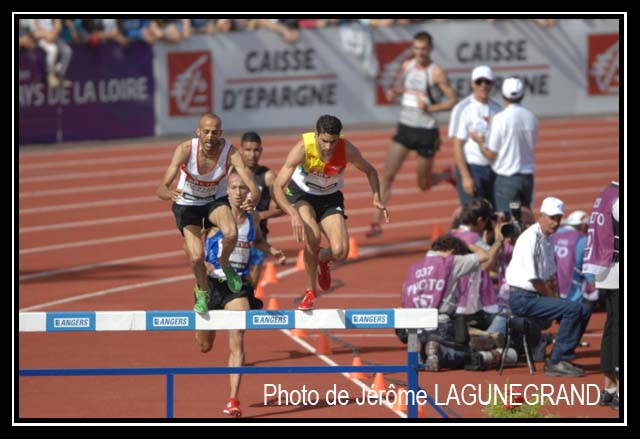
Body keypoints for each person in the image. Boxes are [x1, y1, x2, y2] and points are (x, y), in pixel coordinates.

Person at [273, 114, 389, 310]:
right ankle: (310, 293)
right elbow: (277, 186)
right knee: (313, 238)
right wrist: (292, 214)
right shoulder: (302, 149)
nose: (328, 147)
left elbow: (370, 170)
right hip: (302, 196)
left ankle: (323, 259)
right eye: (324, 141)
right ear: (316, 135)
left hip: (329, 198)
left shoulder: (347, 150)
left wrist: (376, 196)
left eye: (333, 142)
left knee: (341, 252)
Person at [198, 171, 286, 417]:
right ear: (226, 191)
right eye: (234, 188)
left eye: (243, 188)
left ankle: (233, 399)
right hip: (212, 285)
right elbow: (192, 241)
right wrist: (202, 263)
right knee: (204, 345)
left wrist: (272, 250)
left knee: (237, 336)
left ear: (249, 192)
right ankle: (205, 331)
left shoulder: (252, 217)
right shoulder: (214, 216)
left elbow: (256, 241)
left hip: (236, 286)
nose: (238, 193)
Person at [156, 113, 260, 313]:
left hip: (213, 201)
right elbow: (160, 188)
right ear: (199, 132)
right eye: (206, 132)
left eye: (214, 132)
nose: (210, 137)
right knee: (196, 257)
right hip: (187, 205)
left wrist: (253, 198)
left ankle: (224, 262)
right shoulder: (185, 150)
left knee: (231, 233)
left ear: (220, 133)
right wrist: (168, 193)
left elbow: (251, 183)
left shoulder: (230, 153)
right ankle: (203, 290)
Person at [366, 31, 457, 237]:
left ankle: (447, 175)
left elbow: (453, 100)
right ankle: (376, 223)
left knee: (423, 185)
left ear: (430, 49)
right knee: (387, 176)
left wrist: (431, 108)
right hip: (405, 128)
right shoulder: (407, 66)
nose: (419, 53)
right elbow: (403, 88)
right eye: (416, 48)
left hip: (426, 131)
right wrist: (394, 93)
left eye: (423, 49)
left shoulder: (436, 72)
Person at [506, 196, 591, 377]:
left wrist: (556, 299)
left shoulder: (549, 238)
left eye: (559, 218)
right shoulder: (531, 238)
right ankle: (556, 360)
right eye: (552, 218)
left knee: (584, 309)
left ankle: (562, 357)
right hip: (523, 298)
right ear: (541, 216)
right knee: (573, 310)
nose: (555, 223)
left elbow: (550, 277)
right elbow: (535, 280)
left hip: (534, 296)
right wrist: (554, 299)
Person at [400, 235, 510, 371]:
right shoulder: (450, 262)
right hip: (439, 324)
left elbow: (403, 299)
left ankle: (421, 352)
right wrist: (470, 246)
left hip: (414, 327)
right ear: (452, 252)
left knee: (428, 348)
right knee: (466, 354)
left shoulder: (413, 268)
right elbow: (484, 256)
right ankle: (439, 349)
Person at [583, 181, 620, 411]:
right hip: (617, 267)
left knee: (612, 326)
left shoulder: (607, 194)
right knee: (619, 329)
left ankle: (610, 387)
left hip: (607, 269)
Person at [479, 77, 538, 214]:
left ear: (503, 94)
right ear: (522, 95)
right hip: (527, 178)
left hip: (506, 180)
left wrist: (480, 142)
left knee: (507, 219)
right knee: (525, 218)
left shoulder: (500, 119)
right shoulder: (531, 117)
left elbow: (491, 154)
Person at [448, 65, 502, 209]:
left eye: (487, 82)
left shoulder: (498, 109)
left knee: (493, 214)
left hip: (494, 170)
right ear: (472, 84)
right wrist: (466, 177)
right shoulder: (463, 108)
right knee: (473, 214)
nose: (483, 85)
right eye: (479, 82)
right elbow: (457, 145)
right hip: (473, 169)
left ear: (492, 84)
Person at [238, 131, 284, 287]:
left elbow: (282, 208)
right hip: (234, 234)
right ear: (241, 151)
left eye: (256, 150)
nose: (252, 155)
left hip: (258, 236)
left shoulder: (268, 176)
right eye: (248, 150)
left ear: (261, 151)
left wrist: (260, 215)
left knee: (251, 286)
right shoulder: (232, 173)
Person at [553, 210, 596, 303]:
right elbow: (589, 272)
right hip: (573, 295)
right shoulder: (583, 240)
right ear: (583, 226)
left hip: (551, 290)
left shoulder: (553, 235)